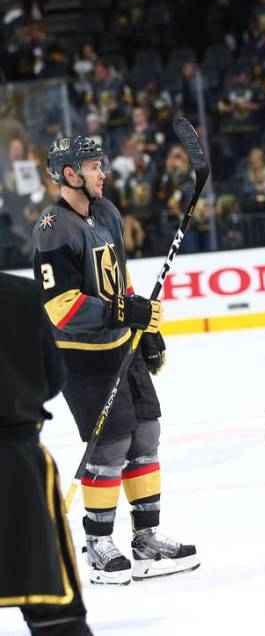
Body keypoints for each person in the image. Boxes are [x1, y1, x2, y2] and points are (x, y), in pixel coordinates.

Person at [30, 136, 198, 586]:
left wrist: (144, 326)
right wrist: (121, 312)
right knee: (109, 446)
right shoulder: (52, 228)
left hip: (121, 344)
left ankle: (146, 538)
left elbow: (117, 280)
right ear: (69, 175)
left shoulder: (106, 213)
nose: (102, 171)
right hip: (82, 356)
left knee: (146, 433)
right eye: (92, 166)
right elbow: (60, 307)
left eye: (101, 163)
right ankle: (99, 544)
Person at [0, 273, 93, 635]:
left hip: (18, 457)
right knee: (56, 612)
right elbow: (54, 379)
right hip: (17, 464)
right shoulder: (22, 294)